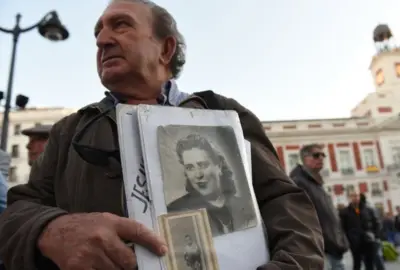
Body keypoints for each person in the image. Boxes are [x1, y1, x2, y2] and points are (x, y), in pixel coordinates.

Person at [0, 1, 324, 269]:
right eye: (98, 32)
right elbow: (15, 215)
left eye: (121, 25)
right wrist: (52, 230)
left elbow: (288, 208)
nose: (102, 40)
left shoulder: (223, 114)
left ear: (166, 48)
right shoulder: (70, 131)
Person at [167, 134, 256, 236]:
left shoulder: (245, 207)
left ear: (218, 166)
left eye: (203, 165)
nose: (198, 174)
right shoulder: (175, 211)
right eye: (190, 168)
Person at [290, 144, 349, 270]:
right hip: (321, 251)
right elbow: (299, 219)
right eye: (316, 155)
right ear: (304, 158)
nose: (321, 158)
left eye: (323, 155)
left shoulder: (316, 183)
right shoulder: (299, 182)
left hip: (333, 248)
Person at [340, 192, 381, 270]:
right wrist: (347, 239)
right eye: (353, 196)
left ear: (359, 197)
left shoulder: (368, 210)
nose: (355, 198)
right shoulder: (344, 212)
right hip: (354, 242)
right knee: (357, 263)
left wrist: (376, 236)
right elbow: (342, 228)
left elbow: (376, 223)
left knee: (369, 263)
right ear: (349, 198)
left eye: (357, 196)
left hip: (368, 241)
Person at [360, 193, 385, 270]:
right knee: (367, 260)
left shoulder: (369, 210)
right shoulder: (357, 211)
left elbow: (378, 224)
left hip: (372, 239)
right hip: (363, 240)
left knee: (376, 258)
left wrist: (375, 236)